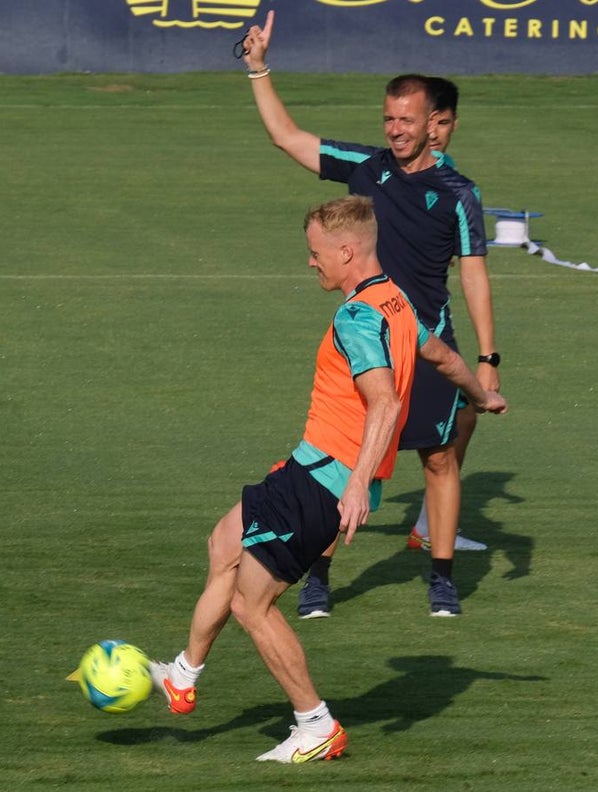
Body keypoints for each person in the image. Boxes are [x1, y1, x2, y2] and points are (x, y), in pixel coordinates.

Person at [148, 196, 507, 763]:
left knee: (252, 605)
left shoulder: (359, 316)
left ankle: (316, 724)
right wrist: (481, 394)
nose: (311, 263)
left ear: (346, 251)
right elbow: (440, 354)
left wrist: (359, 482)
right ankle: (183, 675)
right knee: (224, 543)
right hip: (309, 468)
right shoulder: (394, 300)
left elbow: (385, 404)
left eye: (316, 254)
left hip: (327, 481)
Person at [240, 12, 502, 618]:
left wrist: (487, 360)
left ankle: (440, 575)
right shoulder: (366, 168)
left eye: (405, 120)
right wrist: (258, 68)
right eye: (388, 118)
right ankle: (318, 576)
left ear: (434, 125)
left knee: (439, 459)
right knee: (340, 463)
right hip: (369, 347)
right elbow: (288, 138)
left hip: (428, 346)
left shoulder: (459, 193)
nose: (395, 128)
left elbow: (474, 274)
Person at [405, 76, 491, 553]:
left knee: (465, 417)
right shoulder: (398, 169)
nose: (435, 132)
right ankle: (317, 567)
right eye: (428, 121)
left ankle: (428, 525)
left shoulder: (453, 178)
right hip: (394, 323)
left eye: (443, 122)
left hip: (433, 323)